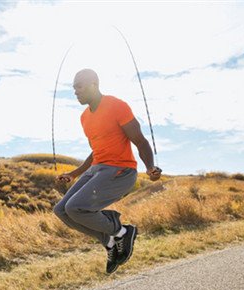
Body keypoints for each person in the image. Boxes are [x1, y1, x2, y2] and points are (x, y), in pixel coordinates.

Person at [53, 68, 162, 274]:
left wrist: (150, 167)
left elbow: (139, 141)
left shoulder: (117, 106)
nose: (75, 91)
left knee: (76, 207)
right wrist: (74, 174)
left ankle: (123, 231)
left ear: (94, 84)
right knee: (61, 210)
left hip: (121, 170)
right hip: (96, 170)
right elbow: (96, 151)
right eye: (74, 88)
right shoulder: (84, 118)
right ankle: (110, 242)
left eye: (79, 86)